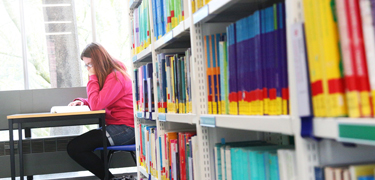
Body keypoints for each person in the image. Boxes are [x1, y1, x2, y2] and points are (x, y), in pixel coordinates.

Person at [66, 42, 135, 180]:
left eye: (90, 64)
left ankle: (109, 179)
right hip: (118, 127)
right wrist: (84, 102)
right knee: (76, 147)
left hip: (126, 129)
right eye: (86, 65)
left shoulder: (116, 77)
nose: (88, 69)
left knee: (75, 147)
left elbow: (97, 105)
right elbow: (102, 99)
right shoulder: (111, 75)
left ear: (100, 61)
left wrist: (92, 78)